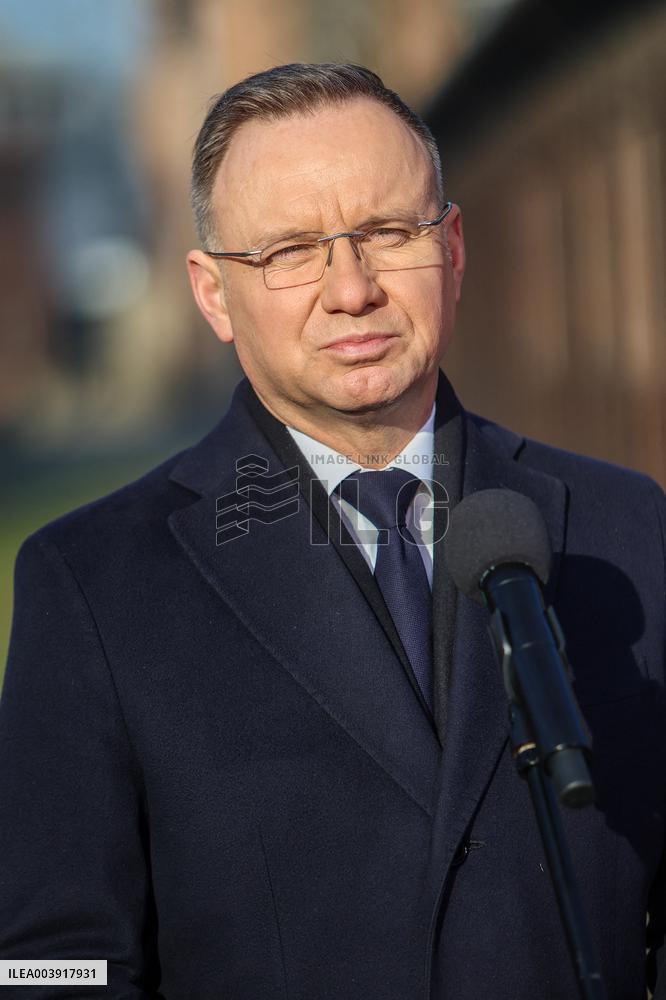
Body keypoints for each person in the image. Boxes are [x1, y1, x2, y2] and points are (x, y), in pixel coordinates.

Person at [1, 63, 665, 1000]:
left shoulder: (626, 527)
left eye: (389, 233)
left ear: (456, 248)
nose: (350, 289)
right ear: (213, 294)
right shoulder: (94, 585)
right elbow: (46, 963)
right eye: (289, 252)